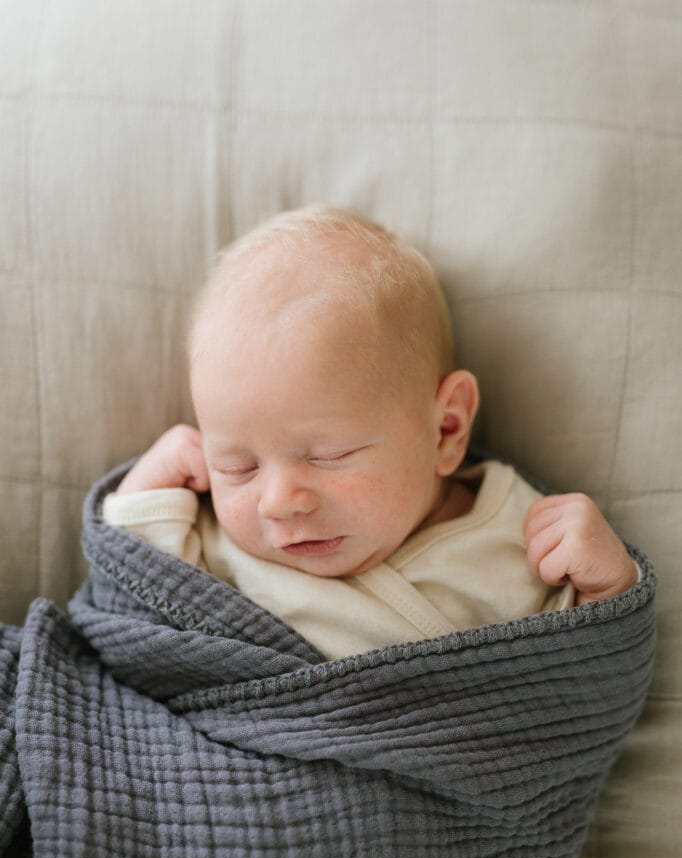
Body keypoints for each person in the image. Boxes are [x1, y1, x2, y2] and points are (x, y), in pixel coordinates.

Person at [103, 205, 639, 659]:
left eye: (328, 455)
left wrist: (608, 588)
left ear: (446, 428)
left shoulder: (519, 536)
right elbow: (129, 604)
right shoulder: (217, 543)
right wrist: (145, 496)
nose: (279, 502)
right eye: (237, 467)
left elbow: (578, 684)